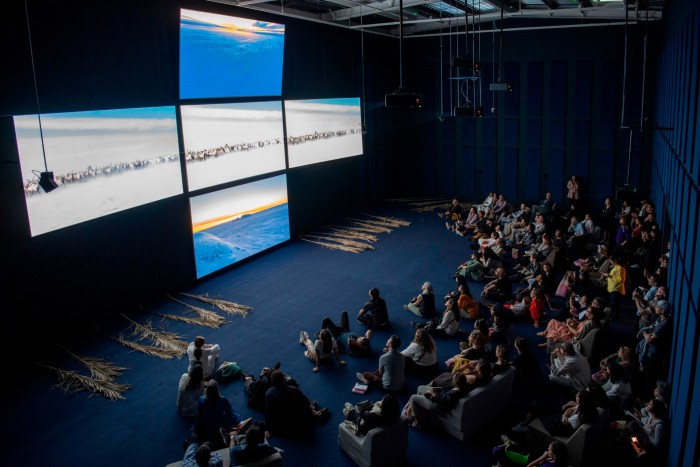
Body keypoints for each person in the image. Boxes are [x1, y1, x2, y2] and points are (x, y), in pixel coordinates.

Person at [264, 370, 327, 436]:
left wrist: (268, 428)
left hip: (285, 423)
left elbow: (268, 411)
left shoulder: (268, 393)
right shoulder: (293, 389)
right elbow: (305, 402)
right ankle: (315, 413)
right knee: (306, 405)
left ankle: (314, 413)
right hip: (299, 420)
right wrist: (311, 408)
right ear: (283, 379)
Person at [192, 380, 242, 449]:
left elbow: (199, 416)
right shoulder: (223, 400)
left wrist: (196, 428)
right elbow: (230, 413)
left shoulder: (201, 400)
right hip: (221, 427)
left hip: (208, 428)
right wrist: (237, 421)